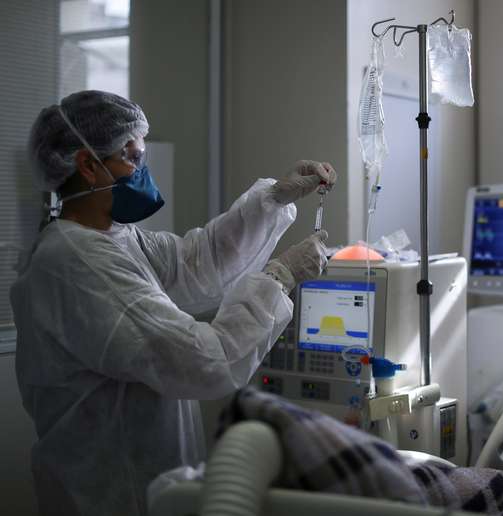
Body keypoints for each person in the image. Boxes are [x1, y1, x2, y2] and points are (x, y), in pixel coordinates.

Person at [11, 90, 336, 516]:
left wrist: (274, 199)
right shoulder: (76, 262)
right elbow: (204, 361)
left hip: (142, 482)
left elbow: (198, 261)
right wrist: (281, 276)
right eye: (131, 158)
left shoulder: (114, 239)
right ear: (88, 166)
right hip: (109, 493)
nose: (142, 170)